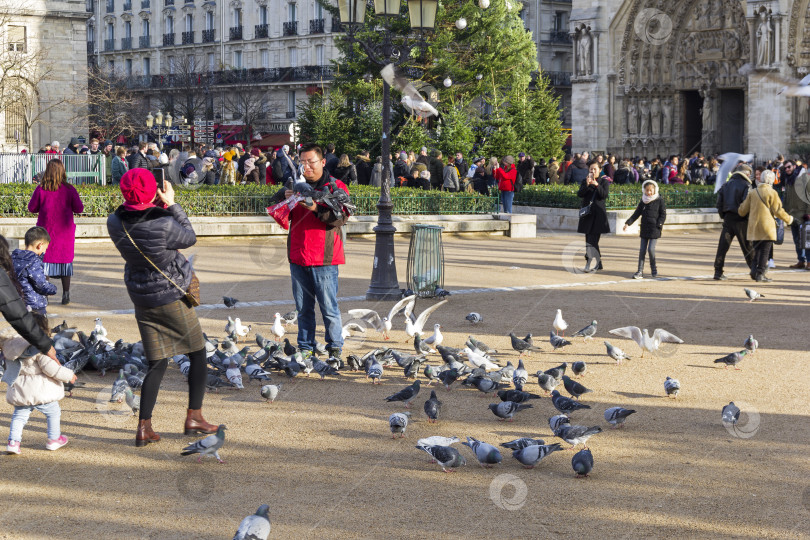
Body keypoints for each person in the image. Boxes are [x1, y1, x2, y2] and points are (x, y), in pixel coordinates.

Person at [107, 169, 218, 447]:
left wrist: (155, 207)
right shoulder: (164, 222)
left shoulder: (114, 221)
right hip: (170, 294)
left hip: (141, 296)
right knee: (197, 353)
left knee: (157, 361)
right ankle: (194, 416)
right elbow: (189, 237)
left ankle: (144, 427)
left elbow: (141, 221)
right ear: (151, 191)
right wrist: (171, 203)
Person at [280, 143, 351, 360]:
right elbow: (275, 208)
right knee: (303, 308)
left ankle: (335, 348)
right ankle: (306, 347)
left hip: (325, 256)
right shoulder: (293, 184)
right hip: (298, 254)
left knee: (329, 307)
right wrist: (285, 197)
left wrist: (315, 208)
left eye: (310, 162)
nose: (306, 167)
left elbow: (342, 217)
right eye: (302, 162)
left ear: (322, 162)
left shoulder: (336, 185)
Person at [4, 311, 76, 455]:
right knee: (53, 412)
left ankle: (13, 442)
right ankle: (54, 439)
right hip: (41, 390)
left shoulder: (10, 346)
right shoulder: (39, 348)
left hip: (20, 389)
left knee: (19, 416)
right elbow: (52, 369)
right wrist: (69, 376)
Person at [27, 159, 83, 305]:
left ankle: (45, 295)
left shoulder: (41, 189)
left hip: (45, 233)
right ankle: (66, 293)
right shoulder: (70, 189)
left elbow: (32, 208)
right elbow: (79, 208)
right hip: (64, 233)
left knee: (44, 264)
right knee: (65, 263)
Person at [737, 170, 793, 282]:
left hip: (754, 226)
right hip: (767, 227)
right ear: (771, 180)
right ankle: (760, 273)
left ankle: (753, 270)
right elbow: (778, 211)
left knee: (756, 250)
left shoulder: (753, 192)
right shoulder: (772, 193)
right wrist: (789, 219)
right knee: (765, 251)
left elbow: (742, 210)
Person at [713, 164, 755, 280]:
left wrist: (723, 215)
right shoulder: (746, 185)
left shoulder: (726, 184)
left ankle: (718, 271)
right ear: (747, 174)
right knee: (747, 247)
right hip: (741, 219)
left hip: (728, 218)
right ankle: (755, 270)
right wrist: (745, 217)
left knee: (723, 246)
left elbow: (719, 203)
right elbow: (746, 205)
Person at [623, 180, 667, 279]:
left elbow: (663, 214)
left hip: (654, 229)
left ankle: (654, 269)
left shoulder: (659, 200)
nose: (649, 192)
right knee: (642, 250)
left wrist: (659, 225)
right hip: (645, 228)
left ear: (655, 190)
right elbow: (636, 213)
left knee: (651, 249)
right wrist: (627, 223)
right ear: (644, 190)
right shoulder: (643, 201)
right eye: (647, 190)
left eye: (651, 190)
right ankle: (639, 271)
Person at [11, 227, 57, 315]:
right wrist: (53, 289)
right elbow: (41, 284)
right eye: (45, 248)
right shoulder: (34, 261)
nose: (44, 251)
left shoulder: (15, 257)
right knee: (40, 327)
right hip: (34, 304)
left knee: (24, 327)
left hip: (18, 303)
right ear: (40, 245)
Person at [577, 161, 611, 272]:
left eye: (595, 169)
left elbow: (604, 195)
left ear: (600, 170)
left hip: (598, 216)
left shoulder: (604, 182)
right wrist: (587, 185)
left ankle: (590, 263)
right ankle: (598, 263)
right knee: (589, 241)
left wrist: (596, 185)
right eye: (591, 169)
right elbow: (580, 194)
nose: (592, 171)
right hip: (587, 215)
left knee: (592, 241)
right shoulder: (585, 181)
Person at [781, 160, 810, 269]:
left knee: (806, 240)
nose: (787, 169)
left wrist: (808, 213)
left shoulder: (804, 178)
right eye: (785, 168)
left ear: (794, 166)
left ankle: (809, 261)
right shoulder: (788, 179)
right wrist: (784, 211)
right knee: (797, 240)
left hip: (804, 215)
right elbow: (787, 196)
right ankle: (801, 260)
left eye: (788, 167)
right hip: (792, 215)